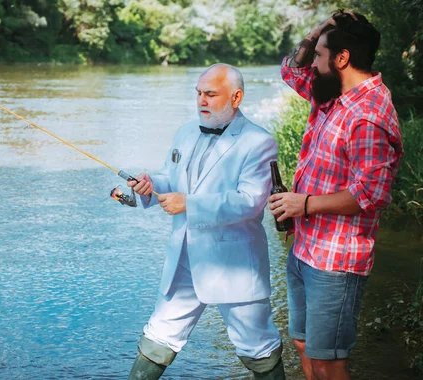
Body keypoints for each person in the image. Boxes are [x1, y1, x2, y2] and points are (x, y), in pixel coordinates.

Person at [126, 64, 285, 380]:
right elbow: (169, 180)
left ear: (236, 97)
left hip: (233, 265)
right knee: (158, 337)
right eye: (198, 93)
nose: (201, 100)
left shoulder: (259, 141)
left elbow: (251, 203)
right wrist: (148, 184)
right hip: (184, 258)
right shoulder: (185, 132)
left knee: (258, 349)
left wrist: (190, 203)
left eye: (210, 94)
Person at [269, 10, 403, 380]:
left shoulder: (368, 115)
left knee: (330, 361)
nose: (313, 61)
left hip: (336, 261)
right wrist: (318, 32)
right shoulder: (333, 93)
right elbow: (290, 72)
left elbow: (372, 193)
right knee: (303, 344)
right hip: (305, 248)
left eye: (320, 54)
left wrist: (305, 204)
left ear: (342, 59)